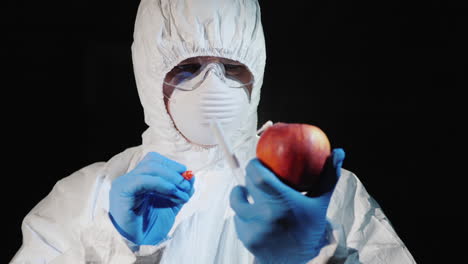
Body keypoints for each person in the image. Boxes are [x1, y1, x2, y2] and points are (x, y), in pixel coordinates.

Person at [11, 0, 416, 263]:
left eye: (233, 68)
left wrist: (314, 255)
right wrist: (114, 244)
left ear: (256, 74)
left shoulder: (319, 194)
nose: (213, 86)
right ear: (150, 77)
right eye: (187, 68)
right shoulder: (82, 199)